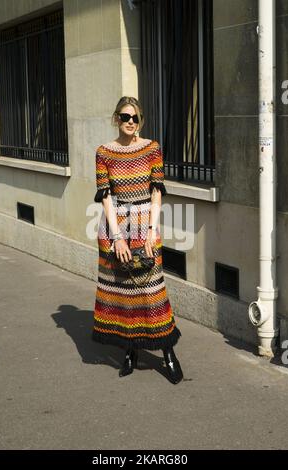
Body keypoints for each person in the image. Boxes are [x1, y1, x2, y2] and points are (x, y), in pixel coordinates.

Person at [92, 96, 183, 384]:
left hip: (146, 224)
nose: (130, 122)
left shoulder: (152, 149)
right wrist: (117, 236)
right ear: (115, 118)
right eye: (124, 116)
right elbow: (105, 196)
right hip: (115, 228)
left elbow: (157, 192)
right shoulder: (103, 152)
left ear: (140, 120)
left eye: (134, 117)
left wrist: (151, 231)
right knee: (122, 294)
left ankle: (168, 353)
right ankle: (129, 350)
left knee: (152, 291)